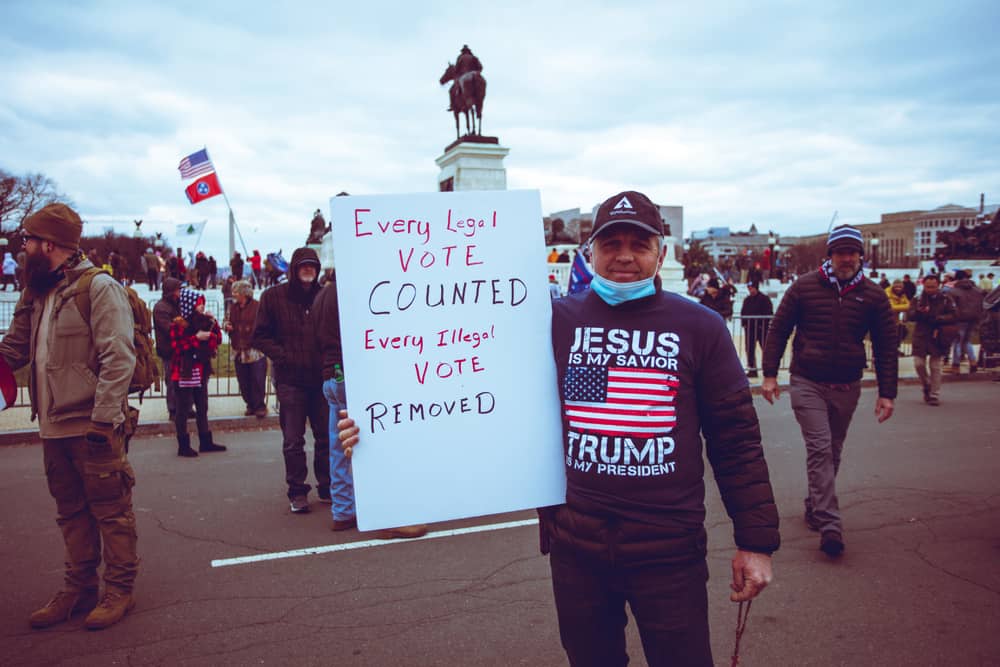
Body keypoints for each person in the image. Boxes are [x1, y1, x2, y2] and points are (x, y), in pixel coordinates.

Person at [339, 190, 779, 666]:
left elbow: (736, 442)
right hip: (578, 550)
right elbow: (475, 399)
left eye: (640, 243)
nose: (625, 256)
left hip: (669, 551)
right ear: (590, 252)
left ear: (662, 253)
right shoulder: (551, 323)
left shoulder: (701, 327)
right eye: (611, 244)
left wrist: (755, 543)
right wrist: (380, 433)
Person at [0, 203, 139, 630]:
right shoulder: (38, 289)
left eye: (28, 240)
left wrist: (102, 420)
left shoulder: (98, 288)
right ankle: (79, 589)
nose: (22, 247)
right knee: (70, 511)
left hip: (92, 425)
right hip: (53, 425)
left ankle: (119, 589)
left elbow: (120, 358)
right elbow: (13, 351)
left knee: (111, 511)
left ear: (51, 244)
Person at [761, 224, 897, 558]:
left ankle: (815, 504)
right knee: (820, 448)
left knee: (832, 451)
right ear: (830, 255)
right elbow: (779, 329)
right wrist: (769, 375)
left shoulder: (874, 295)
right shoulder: (804, 287)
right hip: (808, 381)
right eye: (840, 252)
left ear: (860, 256)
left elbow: (886, 346)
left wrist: (887, 392)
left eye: (852, 252)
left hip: (847, 384)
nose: (847, 258)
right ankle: (830, 524)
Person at [311, 271, 429, 538]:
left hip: (331, 376)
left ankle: (342, 510)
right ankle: (387, 517)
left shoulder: (322, 296)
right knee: (375, 443)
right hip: (353, 375)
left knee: (339, 445)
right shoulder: (350, 293)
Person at [252, 247, 330, 513]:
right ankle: (297, 491)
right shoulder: (273, 297)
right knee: (293, 440)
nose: (308, 270)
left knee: (326, 437)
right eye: (303, 266)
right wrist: (282, 356)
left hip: (321, 379)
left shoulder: (324, 296)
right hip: (290, 380)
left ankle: (328, 485)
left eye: (312, 266)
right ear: (295, 269)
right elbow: (259, 335)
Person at [169, 289, 226, 457]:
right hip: (183, 371)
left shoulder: (203, 321)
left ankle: (205, 441)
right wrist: (196, 339)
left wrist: (214, 323)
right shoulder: (178, 325)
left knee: (203, 406)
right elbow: (177, 347)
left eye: (202, 303)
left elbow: (218, 339)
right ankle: (183, 444)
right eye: (198, 303)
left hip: (201, 369)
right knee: (183, 409)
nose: (201, 306)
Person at [907, 274, 956, 406]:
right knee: (919, 364)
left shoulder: (946, 299)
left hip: (937, 335)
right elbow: (909, 315)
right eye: (927, 287)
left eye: (933, 287)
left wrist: (939, 318)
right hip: (921, 335)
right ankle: (926, 384)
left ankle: (934, 394)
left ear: (938, 285)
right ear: (923, 285)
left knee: (935, 367)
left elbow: (954, 315)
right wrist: (919, 312)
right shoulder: (917, 299)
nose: (930, 289)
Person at [224, 280, 267, 418]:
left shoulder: (258, 307)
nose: (233, 295)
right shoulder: (233, 307)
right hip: (238, 349)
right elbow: (226, 320)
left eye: (236, 292)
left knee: (257, 379)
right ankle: (250, 404)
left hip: (254, 350)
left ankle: (259, 406)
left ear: (244, 293)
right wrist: (227, 326)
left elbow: (265, 324)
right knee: (243, 380)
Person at [153, 277, 182, 420]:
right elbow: (169, 328)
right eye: (178, 290)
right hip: (169, 350)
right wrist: (184, 327)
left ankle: (184, 407)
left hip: (179, 348)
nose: (180, 293)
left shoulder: (175, 305)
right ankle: (173, 409)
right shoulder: (161, 308)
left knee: (183, 380)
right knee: (172, 380)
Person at [945, 270, 983, 374]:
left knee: (957, 341)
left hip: (960, 319)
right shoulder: (977, 290)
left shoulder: (953, 291)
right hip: (973, 318)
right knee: (967, 341)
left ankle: (956, 365)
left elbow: (952, 307)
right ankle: (973, 362)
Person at [740, 280, 773, 377]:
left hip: (761, 329)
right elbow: (743, 312)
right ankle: (752, 369)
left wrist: (762, 324)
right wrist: (745, 323)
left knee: (766, 349)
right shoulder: (747, 300)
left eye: (752, 288)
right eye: (749, 288)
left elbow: (769, 312)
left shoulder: (764, 299)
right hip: (750, 329)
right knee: (749, 349)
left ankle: (769, 370)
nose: (750, 290)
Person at [886, 279, 911, 356]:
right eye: (896, 287)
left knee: (902, 331)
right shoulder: (887, 293)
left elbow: (909, 305)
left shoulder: (902, 295)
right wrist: (903, 307)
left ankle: (894, 349)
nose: (898, 288)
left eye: (900, 287)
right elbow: (892, 308)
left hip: (895, 320)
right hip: (885, 320)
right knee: (887, 337)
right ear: (893, 286)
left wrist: (899, 307)